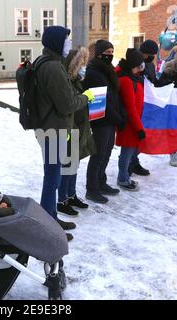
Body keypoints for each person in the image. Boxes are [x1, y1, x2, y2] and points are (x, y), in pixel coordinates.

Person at [34, 26, 93, 241]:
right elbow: (67, 104)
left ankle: (50, 218)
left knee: (53, 176)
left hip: (50, 128)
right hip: (54, 130)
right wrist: (86, 97)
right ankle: (47, 224)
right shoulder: (53, 68)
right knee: (52, 178)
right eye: (66, 40)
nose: (69, 44)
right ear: (57, 42)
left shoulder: (45, 62)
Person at [83, 40, 125, 204]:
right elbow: (99, 100)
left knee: (106, 153)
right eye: (107, 52)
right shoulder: (93, 72)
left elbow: (114, 95)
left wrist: (119, 115)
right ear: (99, 53)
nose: (110, 55)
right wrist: (117, 117)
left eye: (112, 51)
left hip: (110, 118)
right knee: (98, 155)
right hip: (100, 118)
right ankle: (92, 189)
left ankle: (101, 182)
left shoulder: (108, 70)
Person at [57, 47, 94, 216]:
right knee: (67, 168)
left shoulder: (77, 81)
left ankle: (71, 195)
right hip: (70, 131)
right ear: (73, 66)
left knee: (74, 166)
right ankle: (62, 200)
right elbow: (69, 105)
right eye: (81, 64)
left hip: (79, 129)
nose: (83, 68)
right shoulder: (66, 83)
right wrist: (85, 97)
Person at [128, 39, 161, 176]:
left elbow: (153, 82)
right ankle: (128, 163)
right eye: (149, 54)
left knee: (141, 137)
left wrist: (165, 83)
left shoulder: (151, 65)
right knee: (133, 136)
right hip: (135, 103)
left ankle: (134, 161)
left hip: (146, 105)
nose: (151, 57)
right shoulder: (134, 63)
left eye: (153, 54)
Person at [115, 48, 146, 191]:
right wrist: (139, 128)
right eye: (140, 62)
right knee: (126, 153)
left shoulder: (133, 77)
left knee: (129, 152)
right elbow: (130, 108)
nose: (142, 65)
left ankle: (125, 176)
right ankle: (123, 179)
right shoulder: (126, 80)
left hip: (133, 122)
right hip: (129, 124)